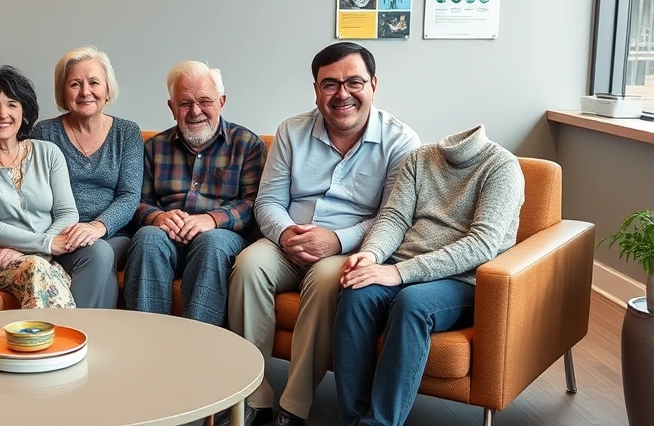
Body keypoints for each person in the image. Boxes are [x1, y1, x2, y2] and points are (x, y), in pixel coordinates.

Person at [224, 42, 420, 426]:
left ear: (373, 85)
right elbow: (268, 201)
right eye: (330, 84)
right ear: (316, 90)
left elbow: (392, 218)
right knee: (248, 265)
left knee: (328, 279)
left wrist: (336, 241)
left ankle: (294, 405)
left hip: (351, 247)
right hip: (287, 239)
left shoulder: (401, 142)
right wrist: (286, 235)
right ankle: (254, 397)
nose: (342, 94)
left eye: (354, 82)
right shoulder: (291, 131)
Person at [334, 125, 525, 426]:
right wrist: (371, 255)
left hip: (462, 279)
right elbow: (394, 217)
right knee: (356, 290)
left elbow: (482, 244)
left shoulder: (502, 166)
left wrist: (399, 272)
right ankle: (351, 419)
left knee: (413, 303)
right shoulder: (420, 158)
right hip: (402, 265)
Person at [123, 60, 265, 326]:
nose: (195, 111)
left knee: (212, 243)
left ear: (221, 102)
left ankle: (199, 345)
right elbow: (138, 201)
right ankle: (146, 340)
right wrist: (158, 218)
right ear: (172, 108)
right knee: (147, 238)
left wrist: (211, 220)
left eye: (204, 101)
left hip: (221, 237)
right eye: (185, 103)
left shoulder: (247, 144)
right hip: (167, 235)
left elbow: (254, 203)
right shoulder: (154, 147)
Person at [0, 65, 78, 309]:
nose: (3, 114)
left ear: (24, 111)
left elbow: (67, 213)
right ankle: (59, 332)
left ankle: (46, 332)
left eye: (12, 104)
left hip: (42, 253)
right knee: (36, 268)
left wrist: (37, 250)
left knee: (37, 264)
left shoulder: (49, 153)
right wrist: (46, 246)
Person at [31, 46, 143, 308]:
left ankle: (71, 329)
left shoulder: (127, 133)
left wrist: (96, 227)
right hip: (60, 234)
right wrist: (54, 236)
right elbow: (33, 195)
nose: (85, 92)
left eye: (94, 82)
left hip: (114, 235)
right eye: (75, 84)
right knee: (99, 259)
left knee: (100, 251)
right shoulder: (44, 133)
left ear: (107, 88)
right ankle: (95, 331)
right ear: (63, 91)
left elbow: (129, 195)